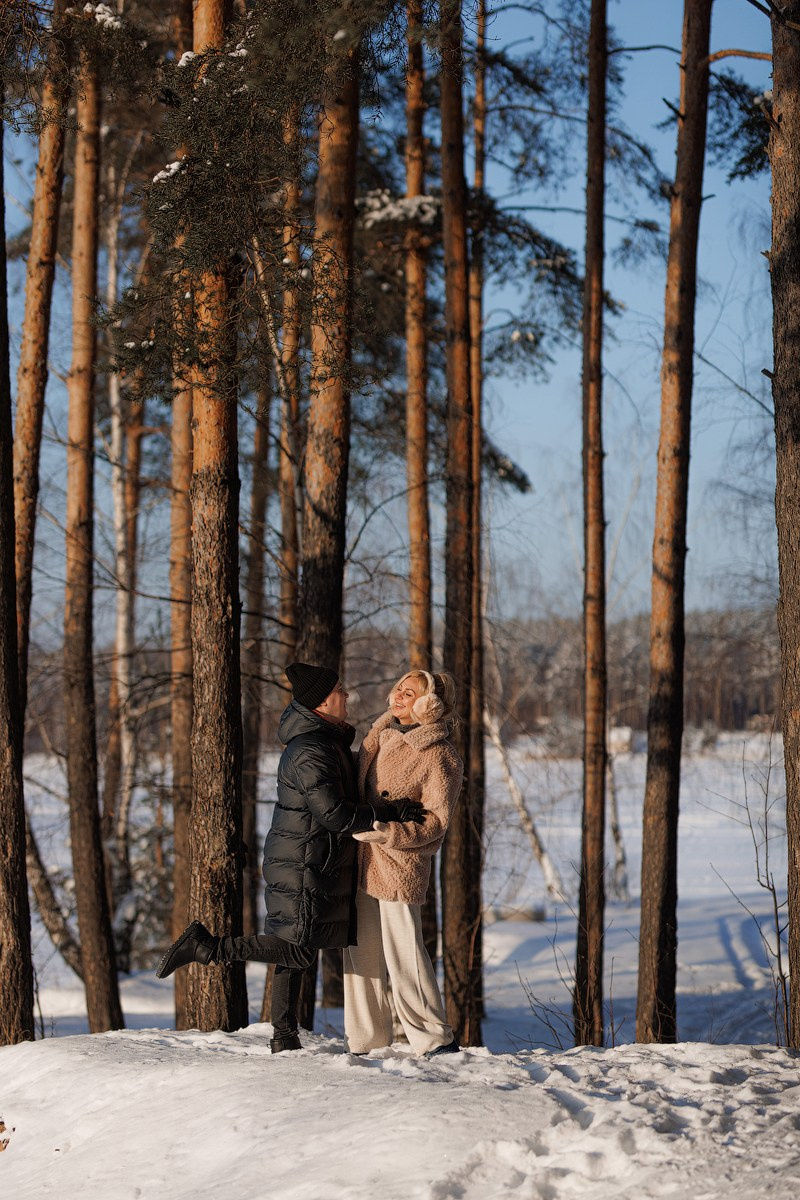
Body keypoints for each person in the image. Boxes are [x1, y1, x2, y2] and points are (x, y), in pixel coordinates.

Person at [156, 662, 425, 1053]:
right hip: (305, 862)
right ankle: (207, 947)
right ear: (321, 702)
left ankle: (284, 1036)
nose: (346, 696)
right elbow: (334, 814)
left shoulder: (325, 742)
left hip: (311, 858)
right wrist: (388, 812)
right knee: (296, 946)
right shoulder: (311, 749)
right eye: (339, 690)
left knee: (295, 945)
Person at [343, 669, 464, 1058]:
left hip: (399, 861)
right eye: (398, 688)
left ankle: (432, 1037)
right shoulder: (376, 736)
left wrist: (388, 833)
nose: (398, 696)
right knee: (360, 950)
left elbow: (436, 820)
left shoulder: (439, 753)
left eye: (409, 693)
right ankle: (367, 1038)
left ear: (429, 705)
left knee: (404, 950)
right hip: (361, 856)